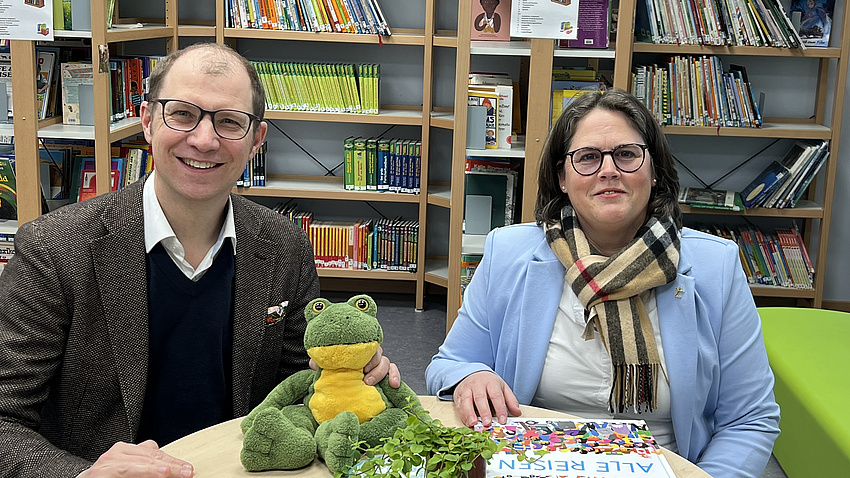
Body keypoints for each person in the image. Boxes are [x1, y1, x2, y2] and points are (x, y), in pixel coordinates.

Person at [0, 43, 398, 478]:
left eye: (229, 122)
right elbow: (5, 418)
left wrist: (348, 375)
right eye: (183, 114)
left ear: (256, 140)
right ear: (148, 121)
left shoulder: (285, 246)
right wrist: (79, 476)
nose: (204, 140)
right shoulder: (55, 247)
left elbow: (299, 388)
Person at [426, 89, 780, 478]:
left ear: (655, 169)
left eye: (627, 154)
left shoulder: (716, 265)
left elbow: (750, 418)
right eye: (588, 158)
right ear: (562, 177)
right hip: (531, 464)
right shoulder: (508, 252)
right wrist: (471, 376)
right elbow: (451, 363)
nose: (608, 170)